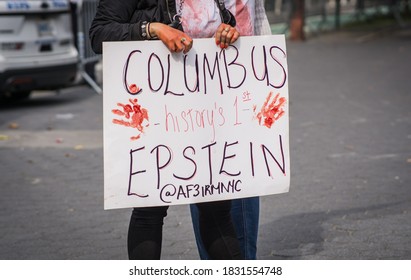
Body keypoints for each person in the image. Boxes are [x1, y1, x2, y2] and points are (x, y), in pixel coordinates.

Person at [89, 0, 270, 260]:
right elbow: (99, 34)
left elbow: (219, 26)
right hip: (155, 110)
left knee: (216, 210)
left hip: (207, 113)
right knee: (149, 211)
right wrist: (153, 29)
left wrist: (227, 32)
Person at [189, 1, 271, 260]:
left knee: (240, 169)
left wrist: (268, 77)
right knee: (201, 174)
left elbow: (256, 14)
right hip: (190, 77)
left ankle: (243, 264)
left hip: (241, 73)